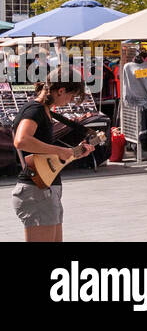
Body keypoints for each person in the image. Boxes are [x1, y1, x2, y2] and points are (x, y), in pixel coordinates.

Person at [11, 78, 94, 242]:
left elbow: (47, 155)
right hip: (36, 190)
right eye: (71, 96)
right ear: (61, 90)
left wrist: (75, 152)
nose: (70, 102)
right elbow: (21, 141)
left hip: (45, 188)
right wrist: (60, 150)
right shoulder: (35, 109)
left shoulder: (45, 111)